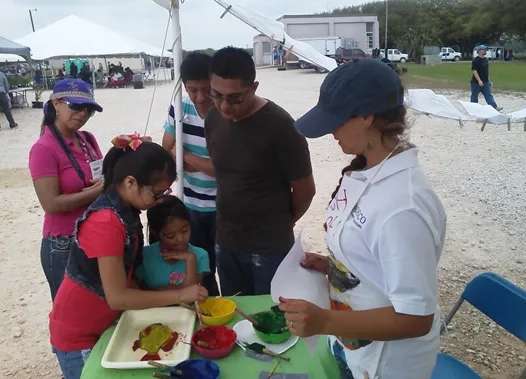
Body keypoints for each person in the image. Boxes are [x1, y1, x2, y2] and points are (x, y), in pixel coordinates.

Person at [278, 58, 447, 379]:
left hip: (387, 365)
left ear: (367, 116)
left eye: (335, 121)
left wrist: (324, 321)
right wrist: (334, 267)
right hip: (353, 346)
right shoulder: (369, 168)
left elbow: (416, 318)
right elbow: (375, 258)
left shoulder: (403, 207)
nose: (330, 132)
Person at [49, 135, 209, 379]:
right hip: (79, 333)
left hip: (106, 323)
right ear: (131, 182)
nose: (160, 200)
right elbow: (117, 297)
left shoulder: (128, 209)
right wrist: (180, 294)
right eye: (157, 194)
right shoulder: (106, 222)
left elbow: (129, 280)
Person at [205, 46, 316, 296]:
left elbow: (305, 190)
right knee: (236, 313)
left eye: (234, 98)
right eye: (217, 95)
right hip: (226, 241)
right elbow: (224, 173)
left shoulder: (281, 127)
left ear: (253, 88)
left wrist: (279, 224)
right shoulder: (213, 118)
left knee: (272, 319)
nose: (224, 105)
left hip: (270, 249)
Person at [29, 78, 104, 300]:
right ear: (56, 104)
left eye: (89, 110)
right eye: (75, 106)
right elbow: (51, 204)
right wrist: (98, 191)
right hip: (63, 243)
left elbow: (100, 175)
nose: (82, 114)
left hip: (93, 234)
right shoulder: (44, 149)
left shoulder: (87, 139)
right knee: (70, 312)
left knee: (95, 306)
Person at [161, 52, 219, 296]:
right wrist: (204, 163)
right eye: (193, 90)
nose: (201, 97)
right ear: (184, 87)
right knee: (201, 271)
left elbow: (224, 168)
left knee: (225, 268)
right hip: (191, 205)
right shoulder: (179, 106)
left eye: (207, 89)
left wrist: (184, 156)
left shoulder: (225, 109)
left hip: (223, 207)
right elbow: (166, 150)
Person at [136, 195, 210, 290]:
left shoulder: (200, 255)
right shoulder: (145, 256)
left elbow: (191, 296)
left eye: (184, 230)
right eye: (171, 236)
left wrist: (190, 259)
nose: (180, 239)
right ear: (157, 234)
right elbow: (136, 291)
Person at [471, 44, 502, 111]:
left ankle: (494, 107)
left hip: (485, 82)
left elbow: (486, 72)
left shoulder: (485, 59)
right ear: (479, 51)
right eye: (484, 49)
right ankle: (473, 109)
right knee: (474, 96)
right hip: (476, 83)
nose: (485, 51)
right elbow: (474, 71)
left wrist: (489, 80)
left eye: (485, 49)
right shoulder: (476, 60)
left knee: (488, 95)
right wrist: (479, 80)